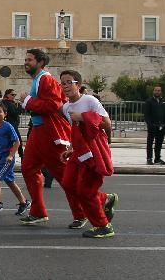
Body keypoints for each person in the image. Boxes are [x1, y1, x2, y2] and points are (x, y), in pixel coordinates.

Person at [19, 49, 115, 226]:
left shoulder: (46, 79)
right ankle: (38, 211)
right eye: (25, 59)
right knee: (28, 168)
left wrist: (27, 102)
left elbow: (52, 105)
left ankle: (92, 205)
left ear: (40, 62)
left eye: (29, 60)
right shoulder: (38, 80)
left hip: (48, 134)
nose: (26, 62)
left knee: (65, 177)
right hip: (38, 131)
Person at [59, 70, 118, 238]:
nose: (66, 86)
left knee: (85, 191)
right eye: (63, 83)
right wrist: (70, 148)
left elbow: (107, 124)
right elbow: (75, 132)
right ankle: (105, 199)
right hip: (78, 152)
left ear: (78, 84)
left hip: (94, 153)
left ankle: (103, 226)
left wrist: (83, 117)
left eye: (69, 82)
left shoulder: (89, 100)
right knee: (68, 184)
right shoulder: (66, 107)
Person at [144, 85, 165, 165]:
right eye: (155, 90)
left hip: (161, 126)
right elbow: (146, 114)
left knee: (159, 143)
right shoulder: (149, 101)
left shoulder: (164, 101)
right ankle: (149, 158)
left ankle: (157, 159)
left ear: (161, 92)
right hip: (152, 126)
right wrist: (150, 124)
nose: (157, 92)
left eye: (159, 90)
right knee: (150, 142)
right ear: (153, 91)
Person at [1, 89, 23, 159]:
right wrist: (21, 105)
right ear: (7, 95)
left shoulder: (8, 102)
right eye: (12, 95)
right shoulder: (8, 103)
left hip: (12, 124)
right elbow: (15, 113)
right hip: (11, 125)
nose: (14, 96)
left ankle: (19, 155)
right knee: (18, 140)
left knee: (13, 141)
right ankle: (21, 156)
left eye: (15, 95)